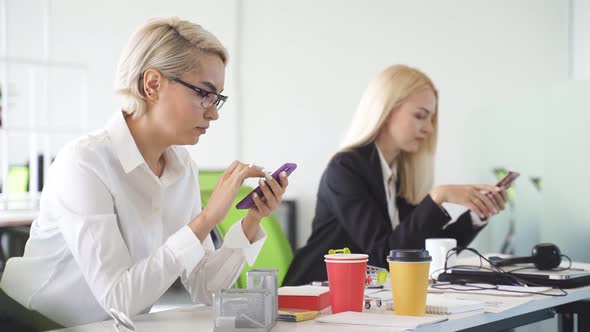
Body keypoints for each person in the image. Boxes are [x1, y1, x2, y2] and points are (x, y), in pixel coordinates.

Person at [0, 17, 289, 329]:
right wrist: (206, 219)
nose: (214, 112)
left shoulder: (182, 168)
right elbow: (118, 298)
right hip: (28, 322)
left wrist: (250, 222)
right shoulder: (84, 164)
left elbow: (206, 287)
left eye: (217, 97)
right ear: (152, 85)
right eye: (203, 93)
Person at [283, 64, 507, 286]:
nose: (429, 129)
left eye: (431, 119)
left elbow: (423, 250)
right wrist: (439, 196)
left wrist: (477, 214)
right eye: (420, 116)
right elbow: (385, 255)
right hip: (313, 297)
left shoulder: (396, 174)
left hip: (363, 297)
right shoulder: (345, 168)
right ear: (386, 112)